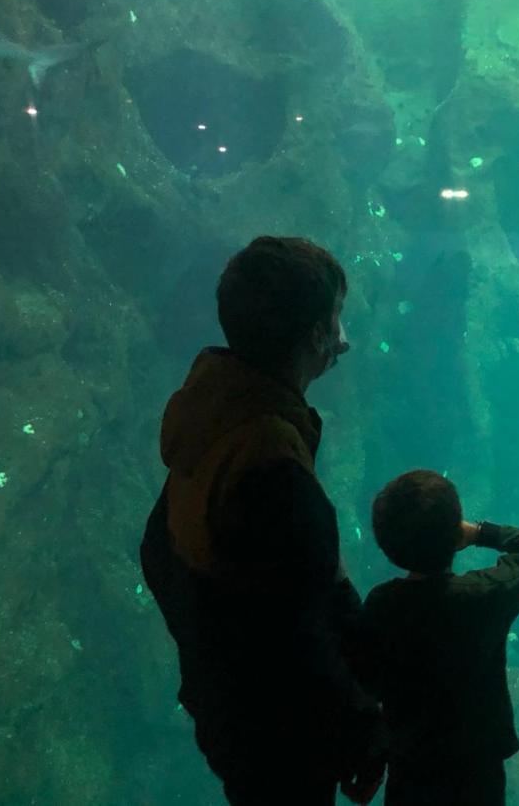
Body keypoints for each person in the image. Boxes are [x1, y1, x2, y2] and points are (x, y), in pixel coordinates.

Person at [139, 236, 385, 805]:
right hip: (278, 737)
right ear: (317, 336)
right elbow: (298, 639)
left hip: (225, 709)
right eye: (337, 320)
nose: (345, 340)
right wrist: (360, 725)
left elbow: (158, 551)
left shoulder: (215, 408)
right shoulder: (272, 469)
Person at [360, 470, 519, 806]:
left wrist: (371, 756)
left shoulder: (382, 606)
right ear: (455, 535)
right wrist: (480, 532)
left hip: (411, 769)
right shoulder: (483, 596)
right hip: (476, 773)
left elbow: (367, 684)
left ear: (385, 545)